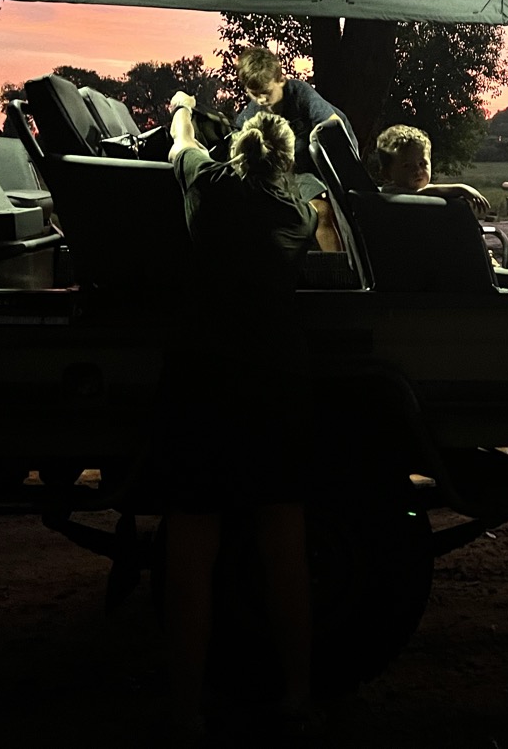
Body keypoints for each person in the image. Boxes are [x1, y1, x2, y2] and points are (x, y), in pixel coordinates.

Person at [159, 90, 318, 744]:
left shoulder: (207, 183)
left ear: (238, 147)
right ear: (285, 161)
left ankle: (183, 709)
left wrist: (182, 106)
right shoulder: (298, 208)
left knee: (192, 553)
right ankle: (299, 694)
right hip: (274, 384)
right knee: (285, 547)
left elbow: (178, 143)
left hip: (203, 381)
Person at [234, 46, 356, 252]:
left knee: (326, 211)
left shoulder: (299, 94)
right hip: (291, 169)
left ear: (281, 80)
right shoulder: (248, 118)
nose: (262, 100)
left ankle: (338, 266)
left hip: (327, 160)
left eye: (266, 92)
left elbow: (333, 126)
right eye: (255, 94)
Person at [375, 124, 491, 216]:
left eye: (422, 163)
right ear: (387, 173)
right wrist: (462, 189)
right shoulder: (392, 193)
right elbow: (424, 193)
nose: (418, 170)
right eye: (406, 166)